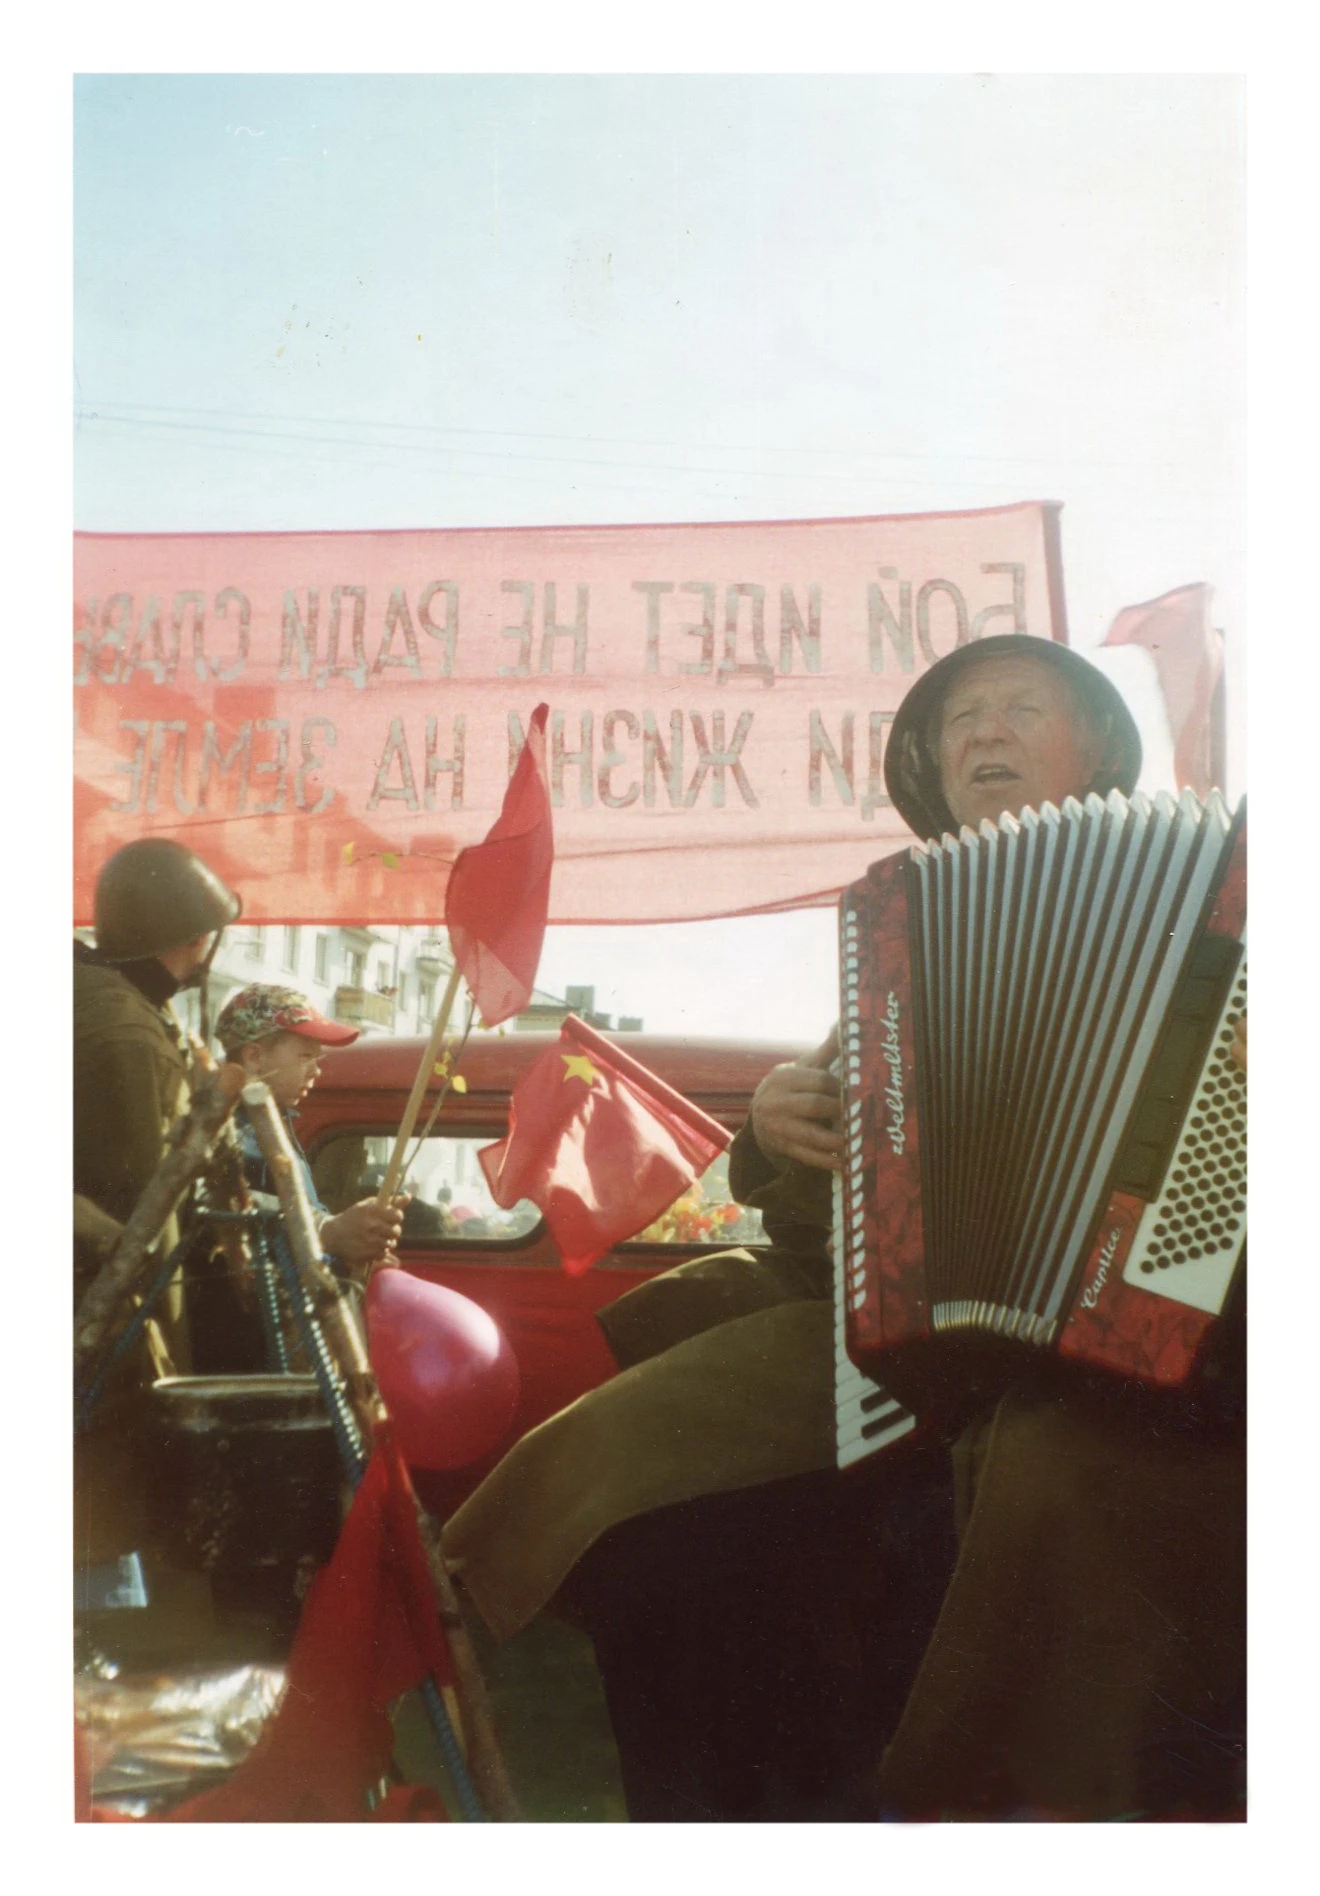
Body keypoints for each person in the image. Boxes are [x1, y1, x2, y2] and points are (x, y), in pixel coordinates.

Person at [442, 634, 1243, 1820]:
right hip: (913, 1347)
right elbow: (836, 1193)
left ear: (1099, 749)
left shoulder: (1237, 895)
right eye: (959, 721)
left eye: (1022, 708)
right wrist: (777, 1123)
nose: (984, 731)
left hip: (1191, 1367)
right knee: (633, 1494)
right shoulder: (909, 922)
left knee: (1048, 1505)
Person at [74, 836, 242, 1563]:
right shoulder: (128, 1034)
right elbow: (143, 1215)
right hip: (104, 1341)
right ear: (196, 937)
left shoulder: (90, 998)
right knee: (108, 1532)